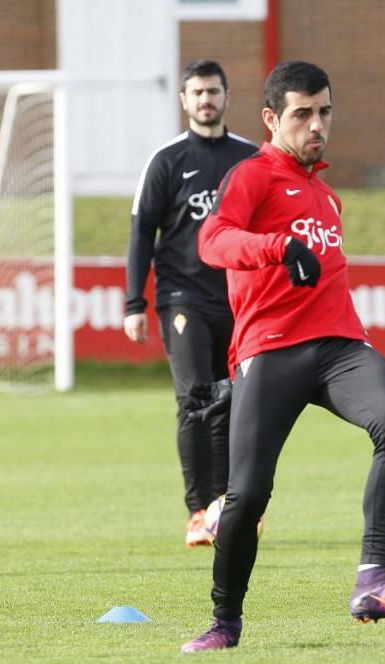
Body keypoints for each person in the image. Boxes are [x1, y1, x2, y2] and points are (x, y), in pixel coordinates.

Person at [180, 61, 385, 654]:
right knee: (247, 495)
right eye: (302, 114)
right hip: (270, 350)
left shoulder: (328, 197)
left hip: (340, 345)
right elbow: (212, 240)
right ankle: (224, 623)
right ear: (271, 118)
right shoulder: (252, 177)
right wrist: (277, 247)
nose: (316, 124)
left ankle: (374, 579)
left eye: (324, 111)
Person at [124, 59, 257, 547]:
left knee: (238, 404)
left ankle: (232, 507)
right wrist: (133, 302)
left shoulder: (249, 158)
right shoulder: (166, 161)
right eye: (197, 92)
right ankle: (199, 511)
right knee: (195, 400)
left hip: (241, 301)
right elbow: (141, 232)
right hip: (182, 298)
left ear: (226, 96)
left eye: (213, 91)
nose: (206, 100)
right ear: (184, 100)